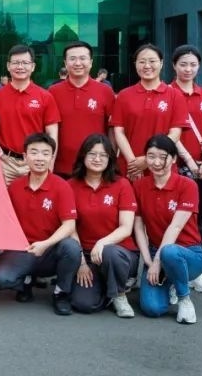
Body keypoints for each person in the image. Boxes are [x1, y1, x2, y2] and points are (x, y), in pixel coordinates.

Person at [0, 133, 81, 315]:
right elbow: (6, 220)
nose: (39, 158)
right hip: (23, 250)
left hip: (51, 250)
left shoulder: (62, 187)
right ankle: (26, 281)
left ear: (52, 157)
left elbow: (69, 225)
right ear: (25, 157)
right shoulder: (15, 187)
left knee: (71, 247)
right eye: (34, 152)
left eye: (45, 153)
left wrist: (45, 244)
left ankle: (61, 293)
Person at [133, 135, 202, 324]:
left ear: (173, 159)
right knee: (152, 308)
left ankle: (184, 299)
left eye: (162, 157)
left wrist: (158, 260)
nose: (156, 162)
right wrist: (149, 261)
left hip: (189, 253)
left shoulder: (187, 185)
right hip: (155, 252)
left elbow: (175, 226)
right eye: (151, 156)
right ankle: (172, 280)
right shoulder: (139, 186)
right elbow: (139, 227)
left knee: (169, 252)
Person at [67, 134, 139, 318]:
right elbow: (70, 227)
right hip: (87, 255)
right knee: (83, 304)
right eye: (92, 154)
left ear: (110, 159)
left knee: (110, 252)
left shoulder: (122, 184)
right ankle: (108, 289)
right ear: (83, 156)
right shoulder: (71, 186)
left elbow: (126, 227)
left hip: (119, 253)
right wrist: (81, 262)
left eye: (103, 155)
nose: (97, 159)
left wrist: (102, 243)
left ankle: (119, 295)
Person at [170, 44, 202, 293]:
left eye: (193, 64)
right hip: (176, 167)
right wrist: (190, 161)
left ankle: (195, 269)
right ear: (174, 66)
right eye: (183, 64)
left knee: (199, 220)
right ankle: (174, 270)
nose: (188, 69)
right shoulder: (168, 93)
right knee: (174, 220)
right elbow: (171, 133)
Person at [110, 44, 189, 179]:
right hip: (130, 168)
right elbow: (118, 132)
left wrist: (149, 160)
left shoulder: (175, 95)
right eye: (142, 62)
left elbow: (175, 133)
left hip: (162, 166)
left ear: (161, 63)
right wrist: (133, 164)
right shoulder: (124, 95)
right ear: (135, 64)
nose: (147, 66)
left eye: (152, 61)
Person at [0, 44, 60, 185]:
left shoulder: (45, 97)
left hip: (35, 162)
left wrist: (50, 164)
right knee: (4, 199)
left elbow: (52, 134)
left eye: (25, 63)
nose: (20, 66)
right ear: (8, 66)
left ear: (33, 66)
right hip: (5, 163)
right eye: (16, 63)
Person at [49, 41, 114, 178]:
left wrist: (110, 160)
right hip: (60, 168)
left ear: (91, 62)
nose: (78, 63)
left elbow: (112, 130)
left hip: (95, 168)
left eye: (83, 58)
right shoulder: (53, 92)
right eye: (72, 59)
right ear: (65, 63)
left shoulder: (105, 92)